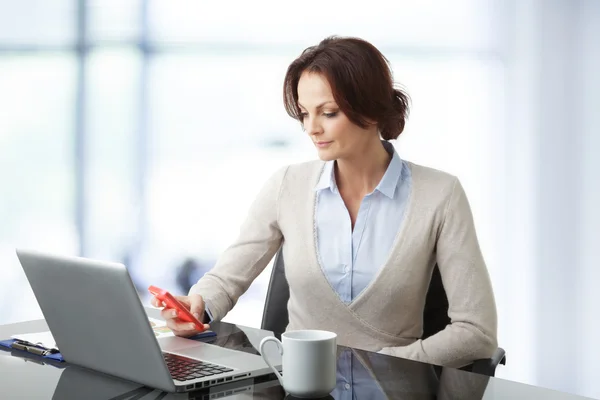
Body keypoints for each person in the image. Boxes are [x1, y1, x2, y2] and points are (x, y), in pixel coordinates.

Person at [151, 36, 498, 368]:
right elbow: (225, 280)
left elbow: (476, 333)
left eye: (328, 112)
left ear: (372, 109)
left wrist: (386, 364)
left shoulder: (441, 195)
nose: (311, 128)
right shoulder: (287, 185)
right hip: (295, 386)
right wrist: (197, 304)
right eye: (304, 113)